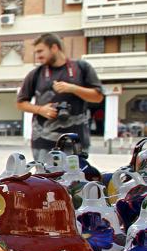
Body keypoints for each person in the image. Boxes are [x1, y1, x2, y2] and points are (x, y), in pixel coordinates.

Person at [16, 33, 103, 163]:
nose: (38, 56)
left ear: (54, 48)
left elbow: (98, 97)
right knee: (46, 181)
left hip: (76, 141)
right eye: (36, 52)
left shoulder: (81, 68)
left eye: (40, 51)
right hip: (43, 142)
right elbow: (20, 103)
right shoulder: (36, 73)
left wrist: (73, 88)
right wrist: (40, 109)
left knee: (75, 181)